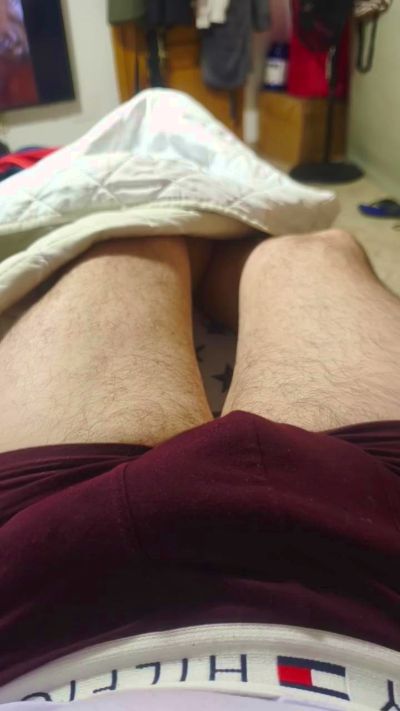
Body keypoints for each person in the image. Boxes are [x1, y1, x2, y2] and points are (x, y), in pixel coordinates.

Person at [1, 230, 400, 708]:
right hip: (383, 562)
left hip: (37, 588)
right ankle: (226, 243)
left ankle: (211, 242)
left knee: (135, 249)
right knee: (309, 249)